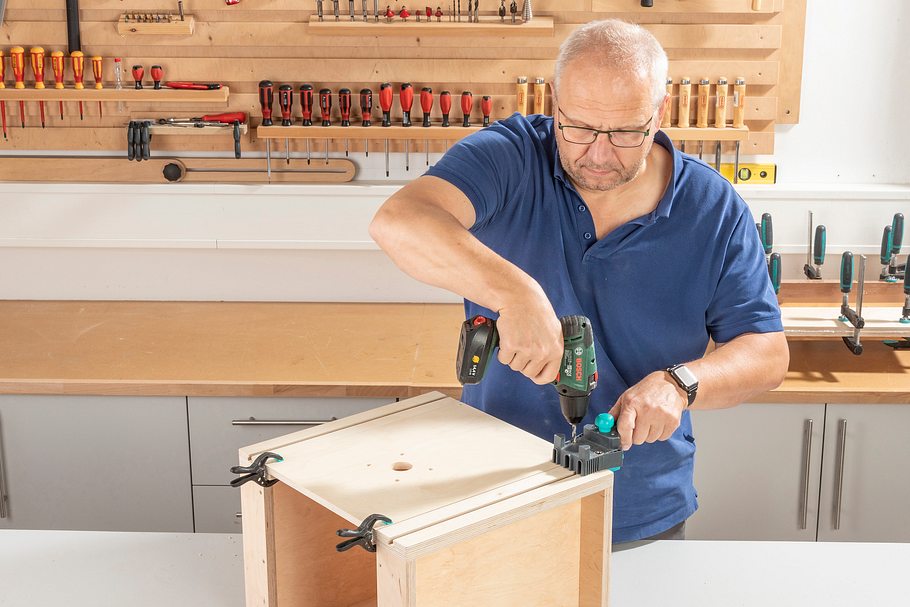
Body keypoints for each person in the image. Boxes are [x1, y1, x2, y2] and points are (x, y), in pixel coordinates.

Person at [369, 19, 789, 544]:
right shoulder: (510, 157)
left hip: (638, 507)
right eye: (580, 128)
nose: (598, 153)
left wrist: (680, 385)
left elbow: (767, 352)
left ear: (659, 114)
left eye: (625, 133)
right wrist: (515, 293)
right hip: (494, 492)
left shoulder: (713, 208)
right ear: (555, 103)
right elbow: (398, 221)